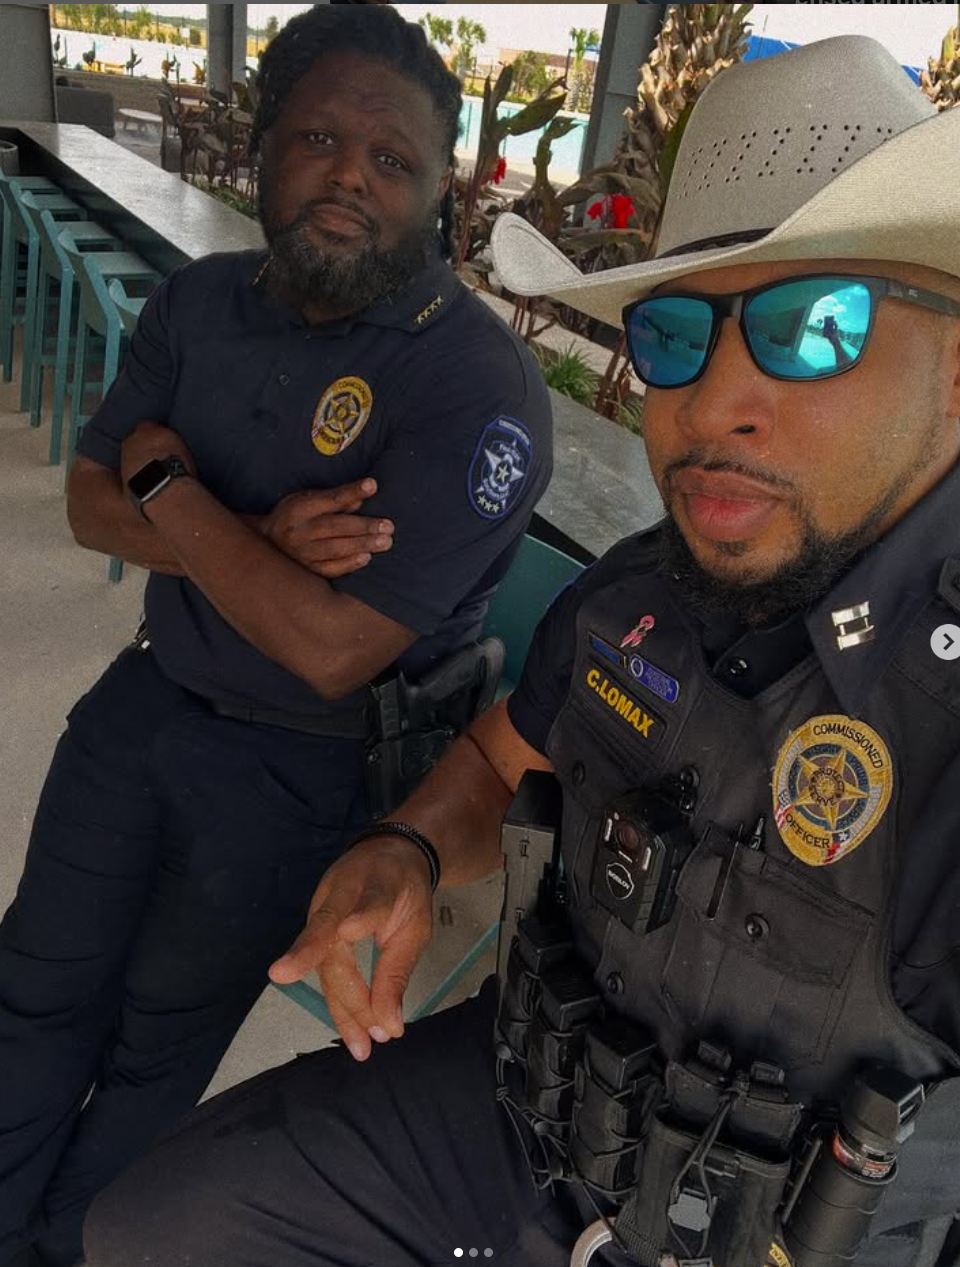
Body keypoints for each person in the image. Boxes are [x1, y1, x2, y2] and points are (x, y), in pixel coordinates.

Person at [84, 34, 960, 1267]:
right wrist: (404, 846)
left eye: (814, 324)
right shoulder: (640, 595)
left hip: (790, 1237)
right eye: (671, 338)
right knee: (151, 1226)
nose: (711, 405)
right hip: (526, 1109)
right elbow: (502, 767)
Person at [0, 8, 553, 1267]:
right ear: (263, 149)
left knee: (154, 1044)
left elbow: (329, 643)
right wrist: (244, 530)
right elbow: (90, 497)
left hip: (300, 767)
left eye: (392, 159)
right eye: (318, 135)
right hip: (147, 703)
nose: (350, 172)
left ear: (440, 196)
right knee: (34, 987)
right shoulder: (199, 304)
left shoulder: (475, 386)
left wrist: (176, 493)